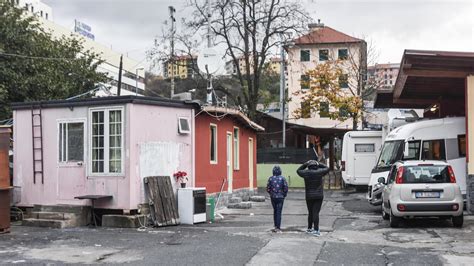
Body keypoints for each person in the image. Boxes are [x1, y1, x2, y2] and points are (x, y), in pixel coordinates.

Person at [297, 160, 329, 236]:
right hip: (319, 196)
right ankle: (316, 229)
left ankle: (309, 228)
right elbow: (327, 168)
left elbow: (298, 170)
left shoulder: (305, 173)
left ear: (309, 166)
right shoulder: (319, 172)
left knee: (310, 212)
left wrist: (305, 164)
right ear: (316, 166)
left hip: (309, 196)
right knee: (316, 212)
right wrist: (319, 164)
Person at [266, 165, 289, 233]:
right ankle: (278, 227)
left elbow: (268, 188)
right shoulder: (282, 178)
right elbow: (286, 188)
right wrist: (284, 194)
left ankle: (275, 225)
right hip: (280, 198)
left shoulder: (270, 178)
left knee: (275, 210)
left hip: (273, 197)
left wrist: (271, 194)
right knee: (279, 211)